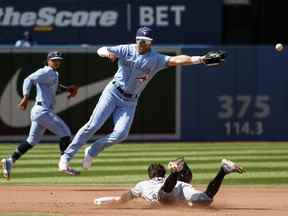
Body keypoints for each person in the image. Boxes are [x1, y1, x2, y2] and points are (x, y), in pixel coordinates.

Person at [58, 26, 226, 174]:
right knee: (92, 126)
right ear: (136, 40)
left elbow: (178, 60)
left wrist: (201, 59)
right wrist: (106, 53)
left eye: (145, 41)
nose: (141, 43)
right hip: (113, 92)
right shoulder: (126, 49)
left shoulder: (156, 59)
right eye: (139, 40)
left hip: (130, 102)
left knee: (121, 134)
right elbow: (101, 49)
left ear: (150, 42)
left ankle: (92, 150)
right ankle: (66, 158)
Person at [1, 51, 79, 180]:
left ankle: (9, 161)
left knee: (32, 141)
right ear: (48, 61)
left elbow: (52, 86)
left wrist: (67, 89)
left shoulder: (52, 73)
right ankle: (63, 164)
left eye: (58, 60)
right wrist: (25, 97)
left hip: (40, 111)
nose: (56, 62)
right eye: (54, 60)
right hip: (42, 111)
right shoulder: (46, 71)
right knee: (65, 133)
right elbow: (29, 79)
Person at [94, 158, 245, 207]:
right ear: (162, 173)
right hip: (180, 186)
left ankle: (175, 172)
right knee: (206, 199)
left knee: (164, 194)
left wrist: (100, 201)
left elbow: (120, 199)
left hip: (167, 190)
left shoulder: (142, 184)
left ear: (149, 175)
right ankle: (223, 171)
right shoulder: (155, 182)